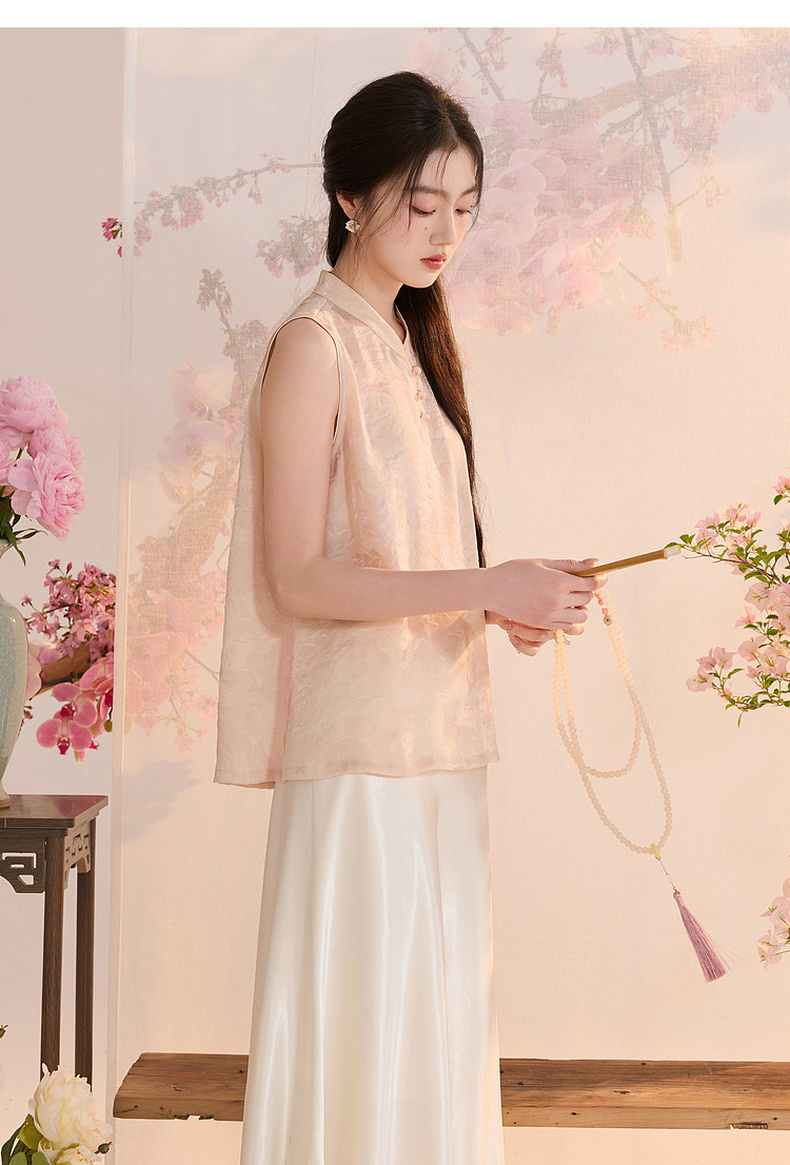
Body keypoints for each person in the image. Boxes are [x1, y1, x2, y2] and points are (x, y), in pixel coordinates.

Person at [215, 70, 601, 1165]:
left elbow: (407, 562)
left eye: (464, 209)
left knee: (429, 1036)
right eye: (423, 204)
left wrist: (505, 602)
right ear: (349, 196)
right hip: (361, 764)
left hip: (433, 747)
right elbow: (299, 577)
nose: (446, 234)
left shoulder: (406, 344)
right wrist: (484, 586)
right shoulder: (314, 345)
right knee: (369, 1039)